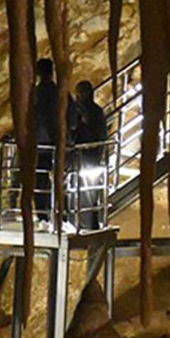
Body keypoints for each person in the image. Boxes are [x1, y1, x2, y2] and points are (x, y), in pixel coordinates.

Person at [32, 58, 78, 224]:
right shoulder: (61, 92)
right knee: (61, 179)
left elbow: (29, 118)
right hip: (60, 145)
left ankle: (42, 214)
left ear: (38, 73)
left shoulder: (35, 94)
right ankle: (63, 213)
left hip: (41, 145)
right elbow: (72, 120)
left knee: (41, 180)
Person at [70, 80, 109, 230]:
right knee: (87, 192)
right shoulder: (95, 111)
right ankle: (85, 222)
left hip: (83, 156)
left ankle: (83, 222)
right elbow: (102, 135)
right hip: (88, 157)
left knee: (83, 191)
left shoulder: (84, 111)